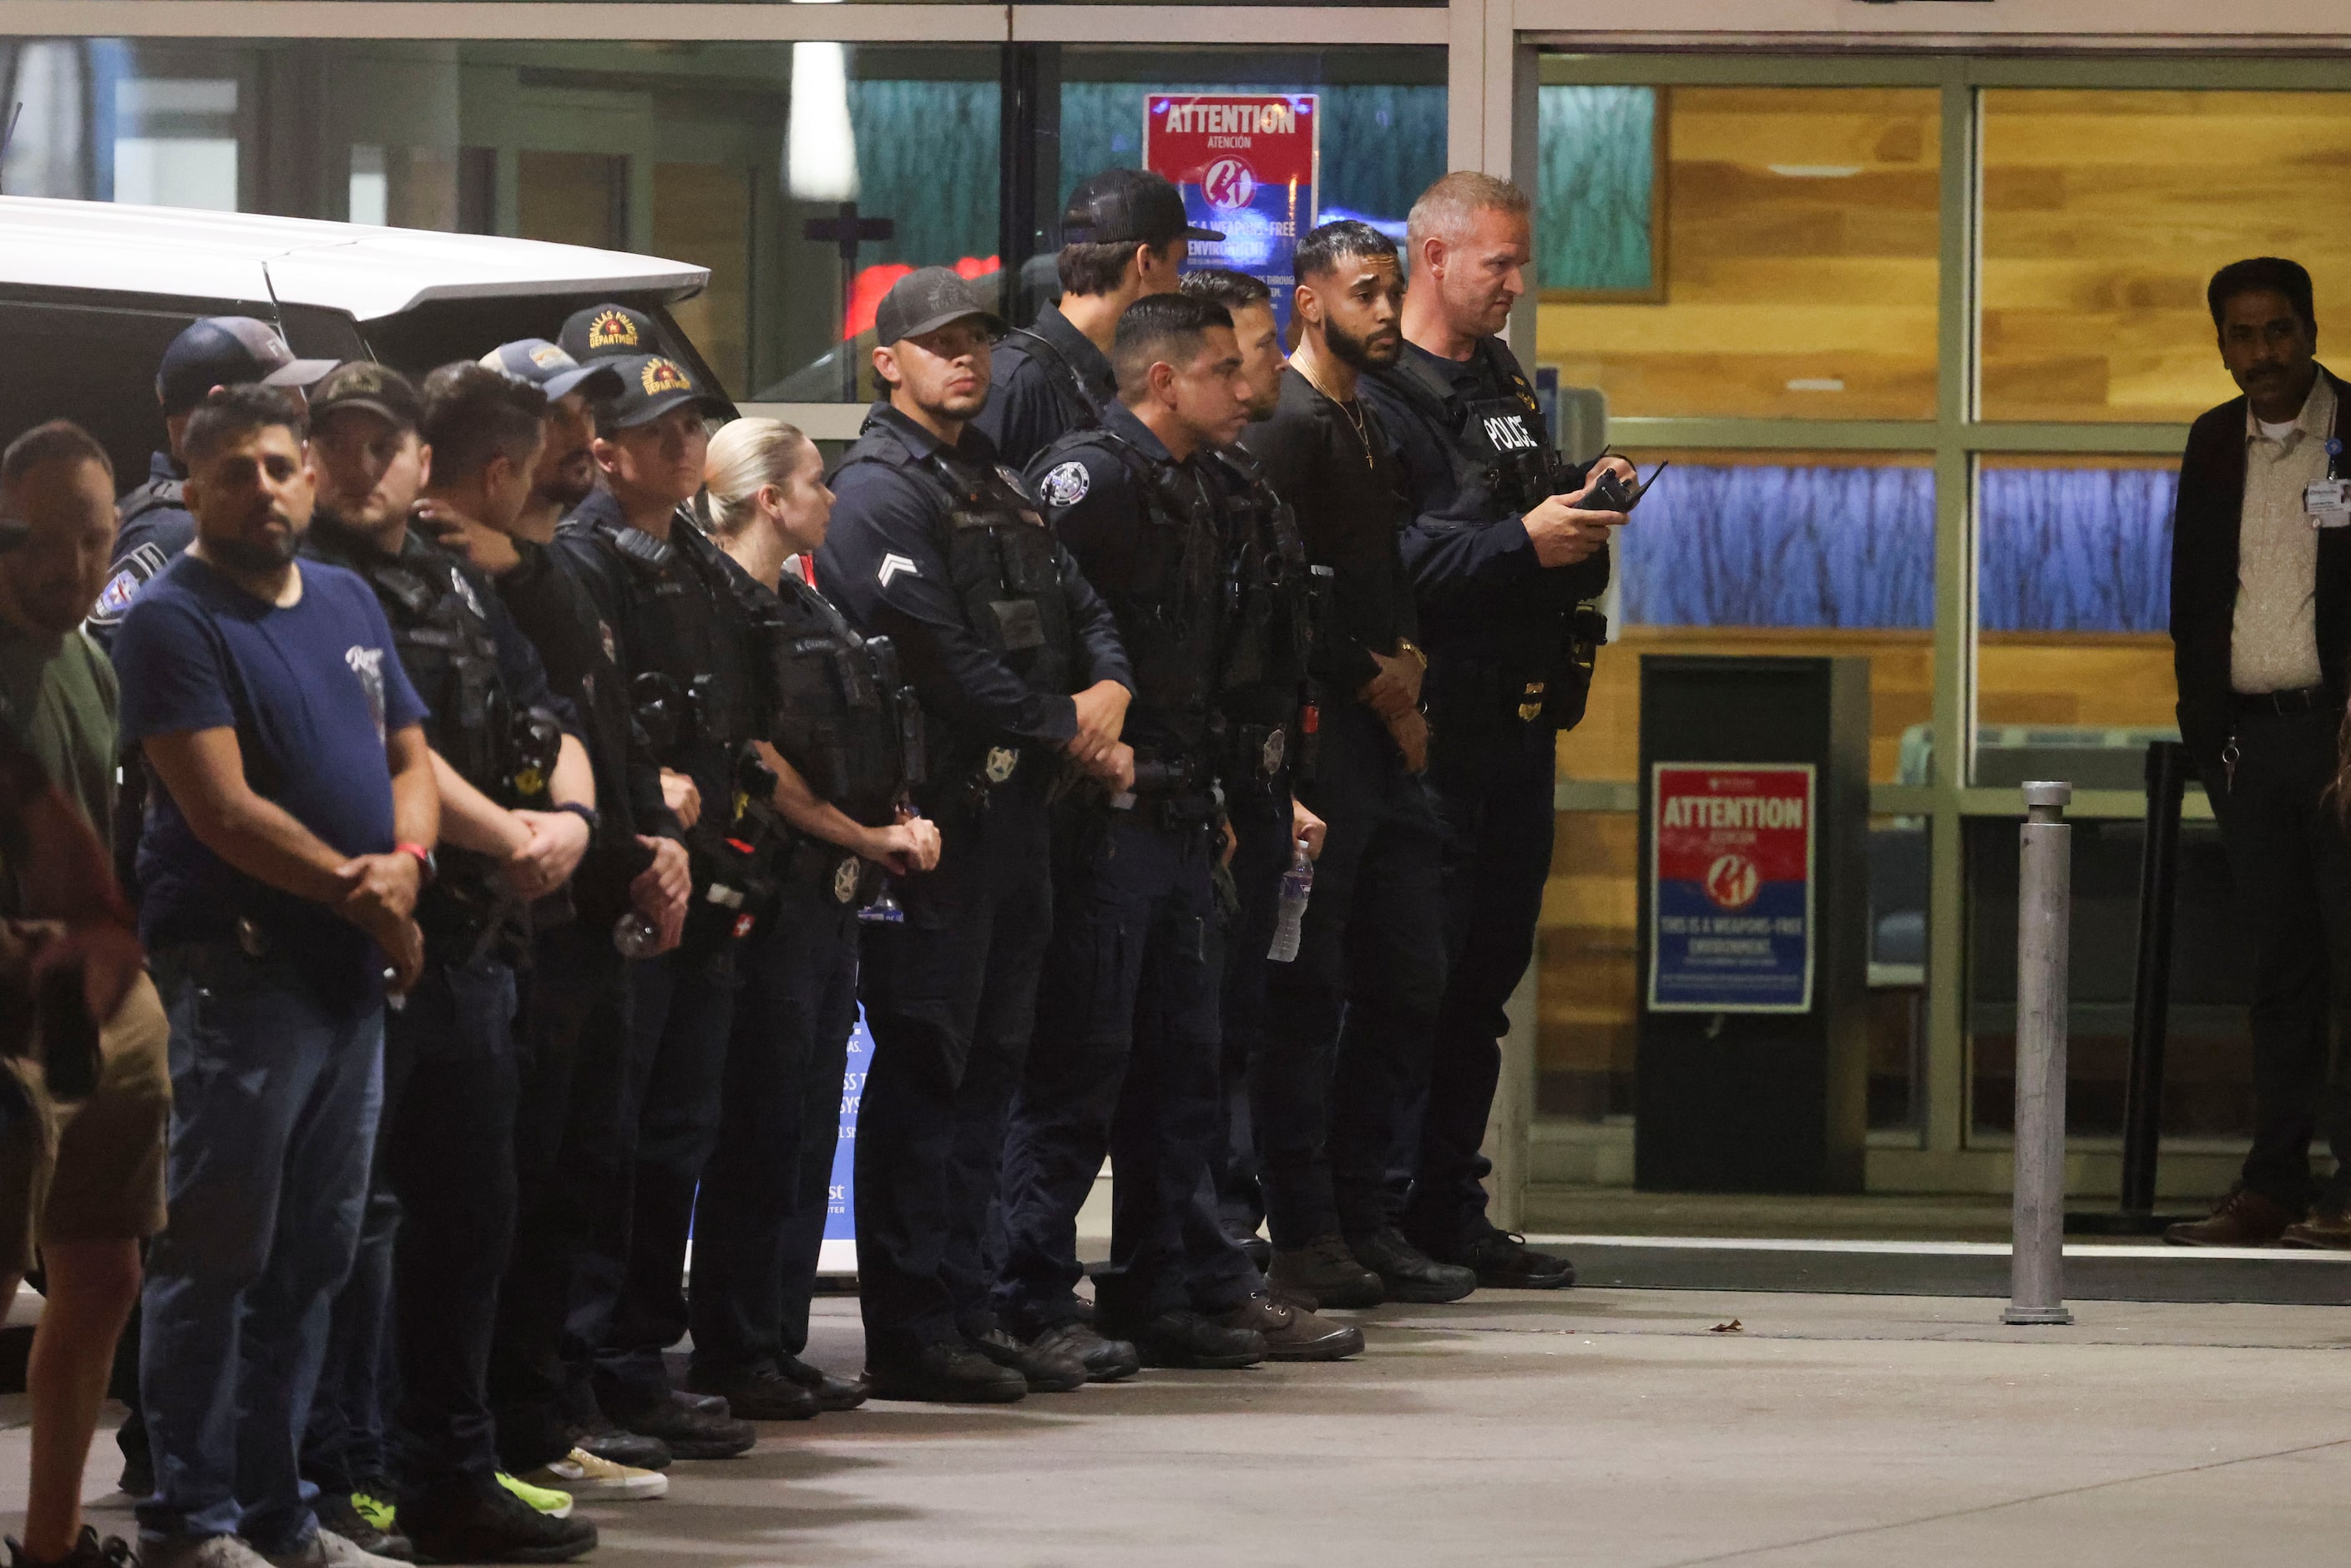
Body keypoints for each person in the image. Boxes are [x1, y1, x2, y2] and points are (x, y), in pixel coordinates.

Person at [1006, 291, 1360, 1368]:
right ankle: (1021, 1296)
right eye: (1223, 370)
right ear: (1163, 379)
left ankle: (1168, 1285)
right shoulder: (1089, 481)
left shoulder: (1205, 486)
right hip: (1105, 818)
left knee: (1183, 1066)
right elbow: (1041, 637)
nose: (1248, 389)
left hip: (1186, 809)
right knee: (1082, 1067)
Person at [114, 383, 434, 1568]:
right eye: (235, 469)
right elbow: (222, 809)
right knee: (214, 1262)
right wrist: (368, 890)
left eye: (280, 466)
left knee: (313, 1260)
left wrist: (407, 863)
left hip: (347, 984)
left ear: (310, 476)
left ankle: (278, 1513)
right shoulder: (171, 619)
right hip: (237, 983)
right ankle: (188, 1521)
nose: (264, 487)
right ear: (191, 484)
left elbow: (410, 751)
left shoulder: (347, 598)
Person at [295, 362, 602, 1563]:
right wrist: (518, 833)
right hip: (364, 954)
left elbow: (551, 712)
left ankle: (449, 1475)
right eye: (342, 443)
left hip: (478, 948)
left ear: (425, 458)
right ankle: (336, 1479)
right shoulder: (302, 589)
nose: (365, 465)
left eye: (389, 443)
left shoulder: (455, 580)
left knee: (471, 1227)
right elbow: (376, 751)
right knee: (346, 1236)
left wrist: (569, 822)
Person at [815, 266, 1133, 1402]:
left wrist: (1111, 688)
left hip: (1018, 824)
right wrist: (1071, 725)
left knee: (995, 1068)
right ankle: (911, 1325)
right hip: (940, 821)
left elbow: (1082, 601)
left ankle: (968, 1300)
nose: (966, 358)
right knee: (930, 1066)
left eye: (977, 341)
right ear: (886, 361)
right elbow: (935, 654)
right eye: (939, 342)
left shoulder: (994, 475)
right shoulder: (878, 493)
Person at [421, 352, 685, 1501]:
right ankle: (481, 1436)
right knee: (499, 1201)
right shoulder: (457, 568)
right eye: (568, 418)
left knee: (579, 1181)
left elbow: (572, 722)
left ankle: (537, 1417)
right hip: (512, 914)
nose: (586, 437)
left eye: (591, 419)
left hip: (592, 897)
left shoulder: (543, 567)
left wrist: (635, 845)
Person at [1355, 172, 1627, 1288]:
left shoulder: (1502, 378)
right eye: (1497, 265)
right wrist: (1526, 543)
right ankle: (1371, 1209)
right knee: (1409, 981)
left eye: (1521, 263)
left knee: (1483, 981)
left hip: (1520, 725)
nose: (1516, 284)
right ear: (1433, 259)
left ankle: (1446, 1204)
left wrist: (1585, 504)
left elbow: (1527, 511)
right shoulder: (1380, 399)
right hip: (1432, 729)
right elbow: (1396, 570)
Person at [1236, 221, 1470, 1310]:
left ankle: (1368, 1211)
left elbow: (1383, 576)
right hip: (1328, 740)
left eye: (1394, 293)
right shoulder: (1283, 425)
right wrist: (1380, 682)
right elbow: (1287, 602)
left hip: (1386, 738)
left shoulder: (1367, 419)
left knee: (1408, 976)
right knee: (1307, 991)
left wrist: (1411, 663)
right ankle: (1308, 1227)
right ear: (1312, 301)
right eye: (1366, 294)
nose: (1388, 312)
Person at [685, 418, 939, 1418]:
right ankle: (733, 1345)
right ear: (768, 500)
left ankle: (776, 1339)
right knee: (755, 1126)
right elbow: (762, 759)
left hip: (829, 904)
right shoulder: (721, 609)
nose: (831, 500)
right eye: (814, 484)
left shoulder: (805, 603)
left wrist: (892, 818)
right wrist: (860, 836)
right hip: (774, 897)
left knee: (796, 1126)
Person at [551, 348, 761, 1459]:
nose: (689, 446)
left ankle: (636, 1361)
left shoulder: (688, 552)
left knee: (676, 1134)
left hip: (703, 875)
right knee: (612, 1141)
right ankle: (577, 1373)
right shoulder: (586, 558)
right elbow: (595, 720)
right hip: (628, 881)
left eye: (697, 428)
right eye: (665, 430)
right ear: (604, 448)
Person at [0, 422, 169, 1568]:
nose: (74, 565)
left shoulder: (91, 658)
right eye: (46, 541)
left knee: (104, 1271)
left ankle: (53, 1543)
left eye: (93, 538)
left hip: (96, 1002)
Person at [2166, 257, 2351, 1249]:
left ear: (2309, 330)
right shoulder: (2209, 442)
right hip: (2250, 744)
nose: (2259, 354)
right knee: (2277, 975)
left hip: (2344, 738)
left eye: (2275, 331)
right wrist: (2209, 737)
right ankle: (2271, 1185)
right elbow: (2191, 600)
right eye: (2239, 336)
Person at [1176, 268, 1323, 1263]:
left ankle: (1225, 1250)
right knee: (1191, 1046)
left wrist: (1286, 783)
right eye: (1238, 357)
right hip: (1195, 797)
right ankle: (1202, 1252)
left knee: (1238, 1030)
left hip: (1257, 784)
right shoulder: (1145, 488)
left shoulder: (1242, 484)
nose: (1257, 374)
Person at [974, 168, 1220, 470]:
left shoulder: (1118, 372)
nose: (1179, 285)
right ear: (1145, 262)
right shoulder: (1012, 383)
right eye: (1177, 263)